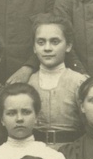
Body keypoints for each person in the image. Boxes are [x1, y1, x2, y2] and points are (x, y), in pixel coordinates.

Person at [27, 14, 89, 148]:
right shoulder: (28, 82)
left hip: (70, 151)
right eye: (41, 42)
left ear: (68, 46)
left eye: (55, 42)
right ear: (34, 47)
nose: (47, 48)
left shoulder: (78, 81)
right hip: (35, 151)